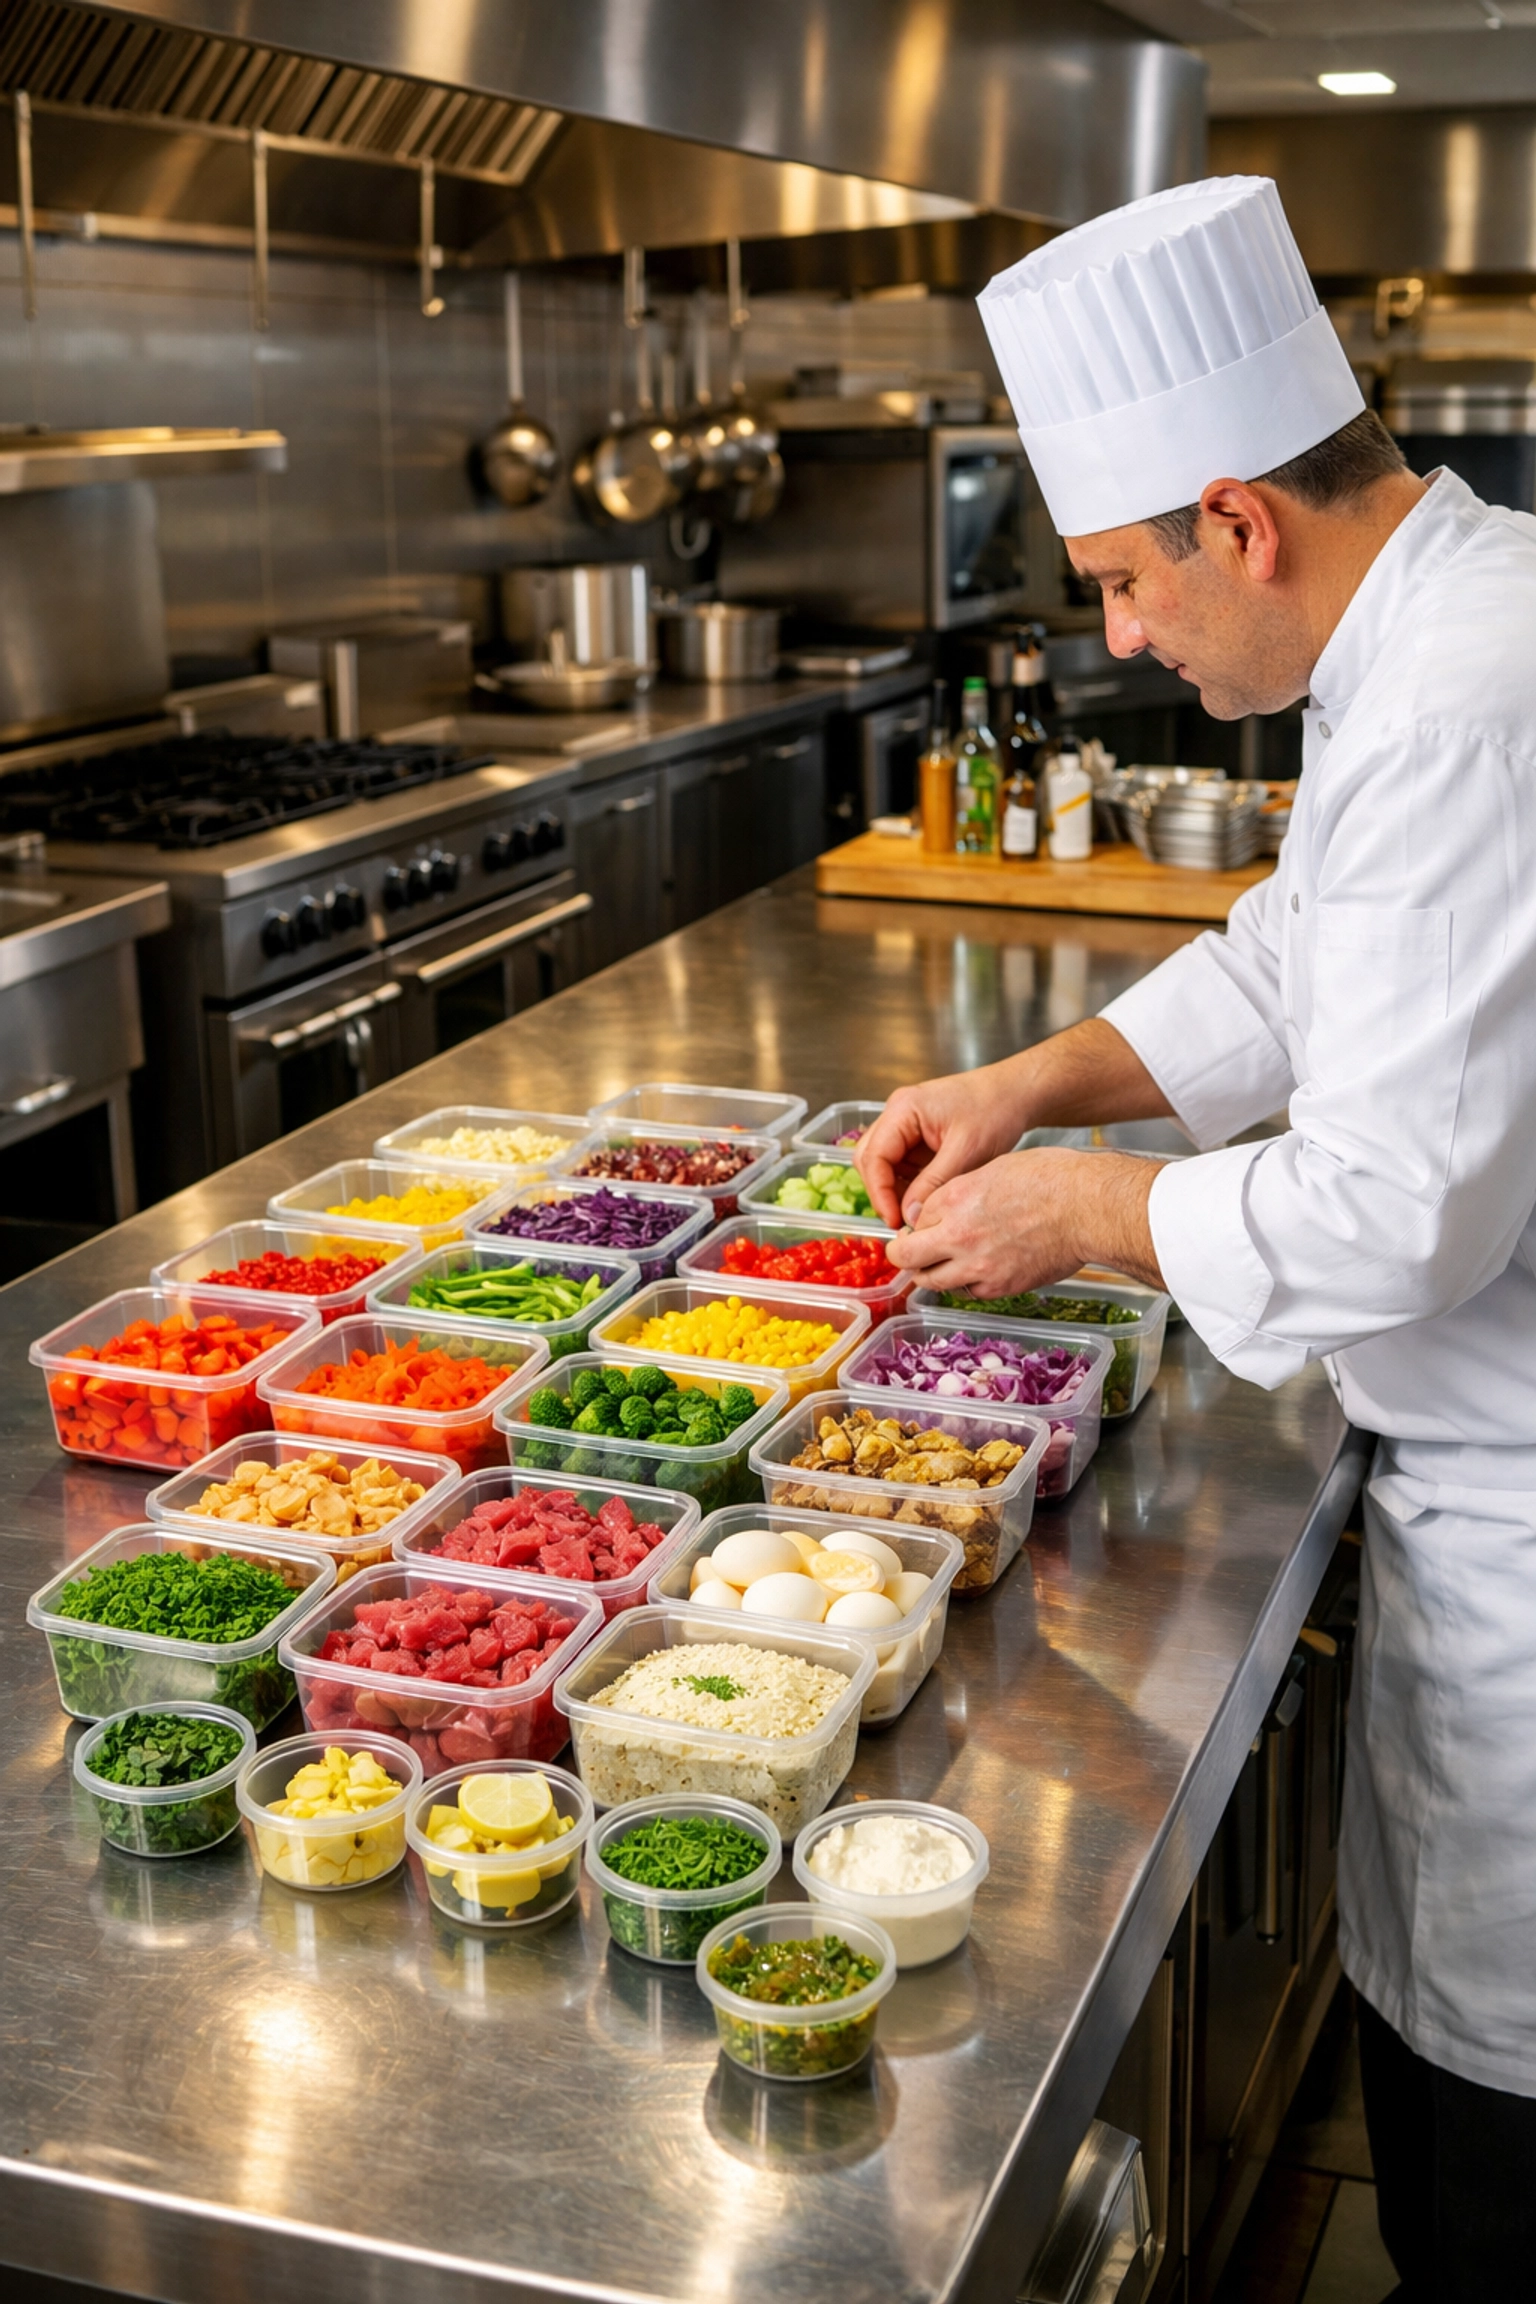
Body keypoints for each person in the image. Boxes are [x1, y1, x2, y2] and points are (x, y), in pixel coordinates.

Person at [857, 176, 1536, 2302]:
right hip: (1477, 1477)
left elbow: (1396, 1208)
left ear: (1240, 520)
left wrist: (1086, 1207)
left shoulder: (1464, 697)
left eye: (1125, 585)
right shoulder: (1433, 621)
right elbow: (1295, 958)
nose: (1124, 641)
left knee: (1497, 2181)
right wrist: (1034, 1085)